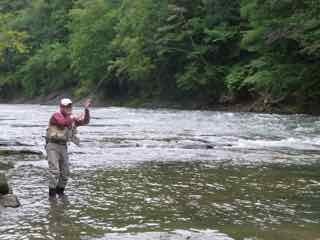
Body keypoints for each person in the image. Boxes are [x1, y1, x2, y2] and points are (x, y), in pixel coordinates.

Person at [45, 98, 91, 198]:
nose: (68, 108)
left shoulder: (71, 118)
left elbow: (86, 121)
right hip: (52, 146)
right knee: (54, 171)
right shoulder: (56, 115)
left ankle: (60, 192)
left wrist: (86, 110)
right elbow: (62, 123)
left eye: (69, 106)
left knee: (65, 173)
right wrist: (73, 118)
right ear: (61, 107)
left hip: (63, 147)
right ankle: (52, 195)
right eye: (65, 106)